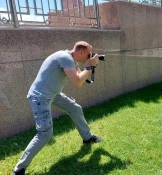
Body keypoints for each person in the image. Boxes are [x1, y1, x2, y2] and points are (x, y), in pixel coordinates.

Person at [13, 41, 103, 175]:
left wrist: (90, 65)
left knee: (75, 109)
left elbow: (81, 77)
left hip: (52, 94)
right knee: (45, 134)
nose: (90, 56)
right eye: (89, 54)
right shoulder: (65, 57)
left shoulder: (71, 60)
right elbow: (78, 82)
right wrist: (90, 66)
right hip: (40, 98)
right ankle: (19, 169)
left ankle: (87, 138)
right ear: (81, 52)